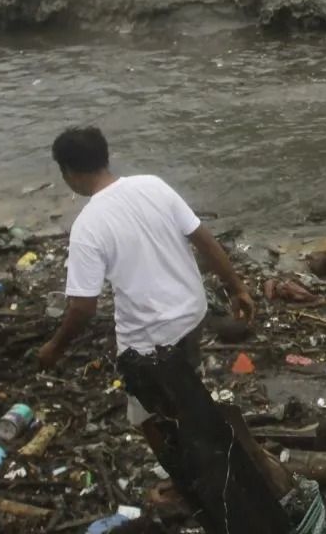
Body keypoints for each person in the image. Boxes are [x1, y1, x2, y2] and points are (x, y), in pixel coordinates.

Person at [38, 126, 255, 446]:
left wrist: (55, 346)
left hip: (149, 338)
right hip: (193, 312)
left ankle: (181, 478)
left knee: (148, 419)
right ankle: (199, 432)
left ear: (68, 171)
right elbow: (205, 241)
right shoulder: (153, 186)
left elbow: (83, 307)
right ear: (104, 158)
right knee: (185, 387)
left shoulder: (87, 225)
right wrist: (238, 289)